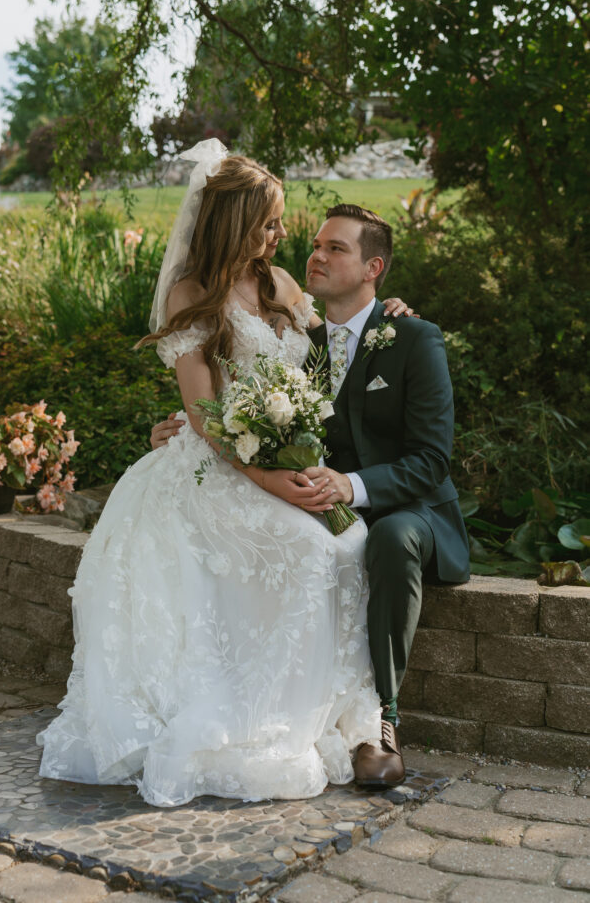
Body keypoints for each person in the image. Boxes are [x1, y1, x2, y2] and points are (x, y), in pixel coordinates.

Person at [37, 140, 414, 806]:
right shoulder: (192, 291)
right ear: (233, 221)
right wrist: (269, 480)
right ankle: (259, 715)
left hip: (285, 457)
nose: (279, 235)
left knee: (351, 541)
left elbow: (336, 345)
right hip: (217, 466)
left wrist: (387, 313)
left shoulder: (279, 285)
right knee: (302, 547)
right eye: (268, 222)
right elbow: (206, 415)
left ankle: (353, 718)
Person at [152, 200, 471, 788]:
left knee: (389, 536)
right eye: (316, 245)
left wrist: (349, 484)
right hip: (314, 499)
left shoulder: (413, 338)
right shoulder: (302, 337)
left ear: (373, 269)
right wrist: (178, 430)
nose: (315, 254)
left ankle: (382, 721)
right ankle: (277, 710)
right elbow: (236, 400)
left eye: (335, 249)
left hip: (410, 508)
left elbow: (431, 460)